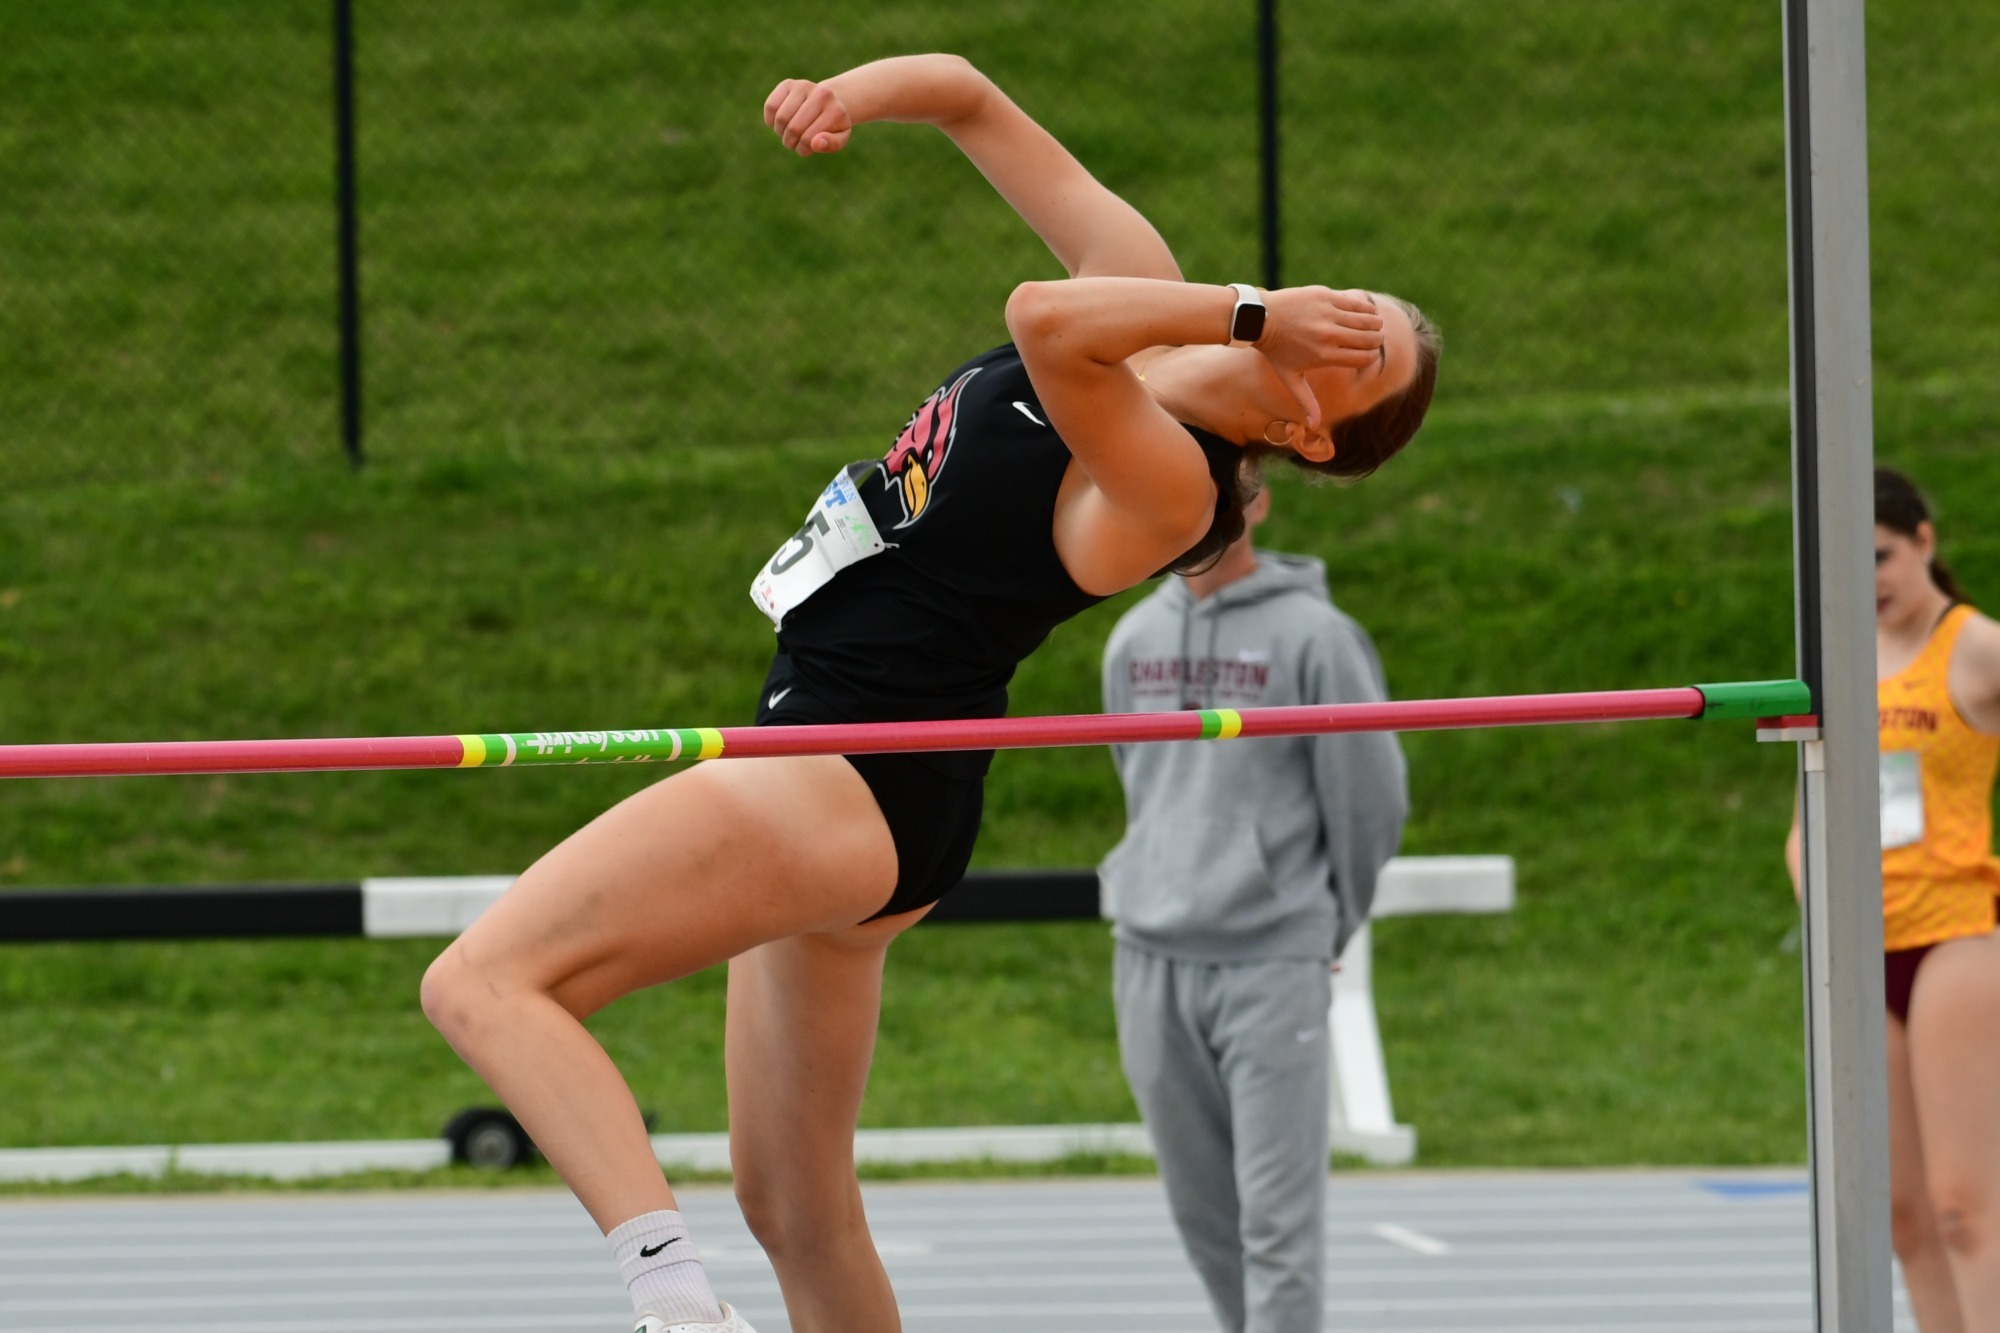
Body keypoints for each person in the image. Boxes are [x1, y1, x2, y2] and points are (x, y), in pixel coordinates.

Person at [419, 52, 1441, 1333]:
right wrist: (848, 94)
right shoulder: (1147, 286)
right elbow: (965, 91)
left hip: (849, 776)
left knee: (484, 982)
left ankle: (675, 1305)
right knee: (795, 1204)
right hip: (849, 772)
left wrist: (1244, 316)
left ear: (1307, 432)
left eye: (1359, 349)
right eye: (1351, 301)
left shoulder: (1174, 486)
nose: (1336, 314)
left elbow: (1042, 321)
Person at [1100, 489, 1407, 1333]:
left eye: (1217, 496)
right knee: (1204, 1216)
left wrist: (1319, 923)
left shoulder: (1318, 638)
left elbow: (1369, 799)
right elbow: (1141, 783)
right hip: (1150, 957)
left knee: (1277, 1224)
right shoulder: (1134, 638)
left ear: (1258, 502)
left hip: (1271, 960)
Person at [1785, 468, 2000, 1332]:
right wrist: (1822, 909)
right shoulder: (1841, 656)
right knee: (1903, 1216)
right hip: (1863, 944)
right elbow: (1809, 819)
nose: (1867, 580)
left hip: (1955, 939)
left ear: (1923, 542)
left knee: (1964, 1206)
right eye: (1847, 562)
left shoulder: (1974, 646)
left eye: (1879, 556)